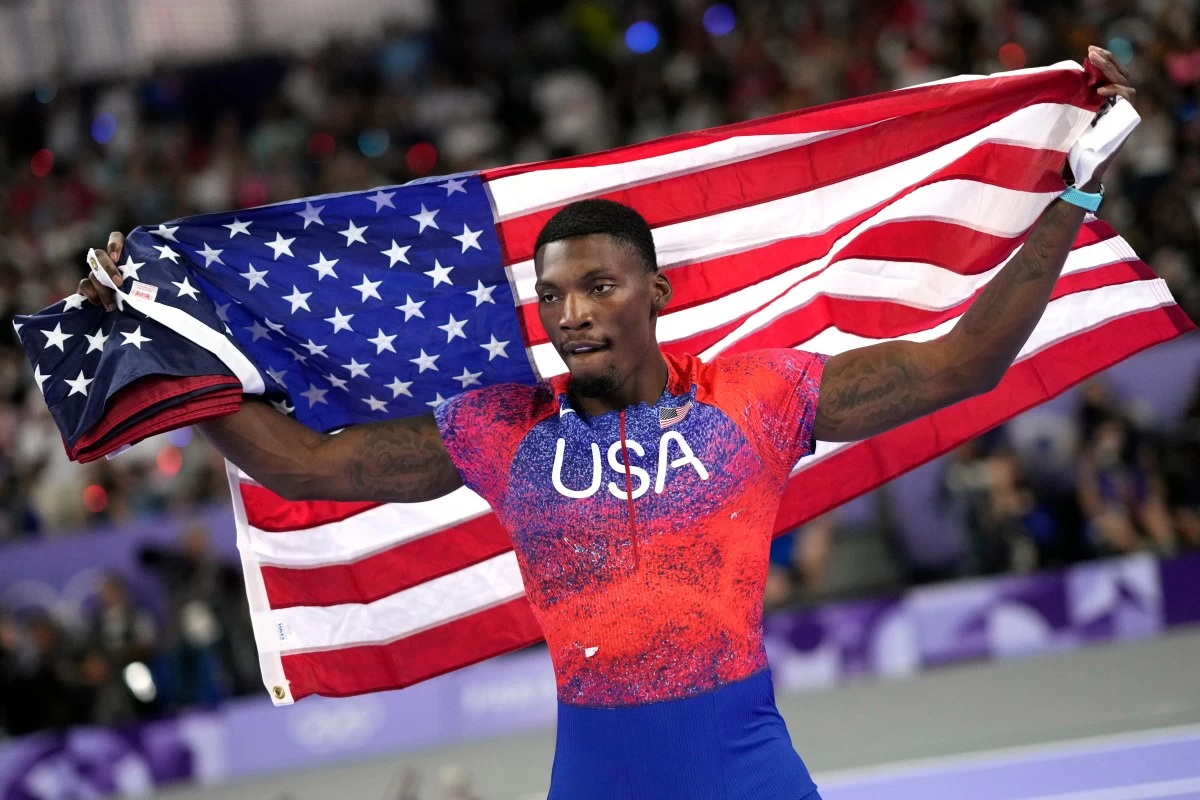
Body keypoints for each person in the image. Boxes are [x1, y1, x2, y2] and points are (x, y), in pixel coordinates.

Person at [78, 49, 1134, 800]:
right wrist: (161, 346)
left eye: (597, 284)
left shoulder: (755, 398)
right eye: (553, 293)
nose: (572, 311)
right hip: (595, 770)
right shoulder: (503, 430)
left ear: (654, 291)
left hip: (742, 761)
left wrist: (1072, 201)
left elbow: (963, 360)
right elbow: (304, 464)